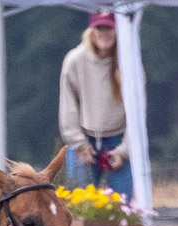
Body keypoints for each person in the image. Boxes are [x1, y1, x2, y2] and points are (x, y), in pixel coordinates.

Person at [58, 11, 132, 199]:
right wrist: (79, 144)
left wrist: (124, 150)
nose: (104, 33)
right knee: (78, 204)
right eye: (100, 28)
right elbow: (69, 106)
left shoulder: (129, 61)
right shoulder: (74, 60)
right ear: (91, 31)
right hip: (85, 140)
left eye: (109, 28)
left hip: (119, 140)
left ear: (117, 31)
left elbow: (137, 112)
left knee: (122, 206)